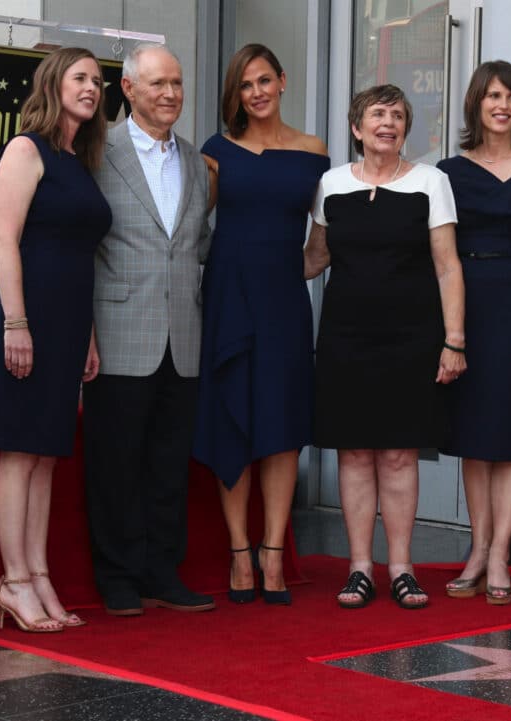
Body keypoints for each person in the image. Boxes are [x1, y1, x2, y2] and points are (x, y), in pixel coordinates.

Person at [304, 85, 466, 610]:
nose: (387, 123)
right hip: (345, 338)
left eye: (397, 116)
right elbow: (314, 258)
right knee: (353, 452)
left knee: (398, 454)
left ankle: (400, 567)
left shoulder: (431, 182)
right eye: (377, 114)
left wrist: (453, 340)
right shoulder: (329, 184)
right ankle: (358, 568)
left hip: (411, 339)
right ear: (357, 128)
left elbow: (447, 266)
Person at [0, 47, 112, 632]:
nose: (91, 87)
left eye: (98, 81)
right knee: (19, 450)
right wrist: (16, 324)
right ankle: (12, 581)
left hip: (66, 326)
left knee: (46, 457)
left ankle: (37, 576)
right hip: (23, 321)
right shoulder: (25, 149)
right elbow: (5, 241)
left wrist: (86, 336)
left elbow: (82, 258)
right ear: (54, 82)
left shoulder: (78, 160)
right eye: (81, 77)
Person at [192, 43, 329, 605]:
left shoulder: (314, 152)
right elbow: (188, 228)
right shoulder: (216, 151)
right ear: (236, 94)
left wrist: (279, 273)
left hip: (283, 305)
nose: (257, 92)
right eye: (246, 84)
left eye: (265, 80)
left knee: (280, 426)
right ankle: (238, 552)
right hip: (227, 298)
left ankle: (274, 551)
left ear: (283, 80)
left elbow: (320, 247)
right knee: (232, 419)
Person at [83, 43, 214, 616]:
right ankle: (116, 576)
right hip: (117, 331)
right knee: (115, 461)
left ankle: (163, 571)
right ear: (128, 89)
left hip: (183, 337)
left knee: (167, 464)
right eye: (158, 83)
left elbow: (197, 246)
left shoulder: (196, 161)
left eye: (177, 84)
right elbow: (81, 247)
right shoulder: (95, 152)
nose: (170, 94)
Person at [437, 61, 511, 606]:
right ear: (476, 105)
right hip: (467, 308)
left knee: (509, 439)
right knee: (475, 439)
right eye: (493, 96)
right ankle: (477, 550)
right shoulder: (448, 173)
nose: (502, 104)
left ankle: (501, 553)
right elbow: (438, 253)